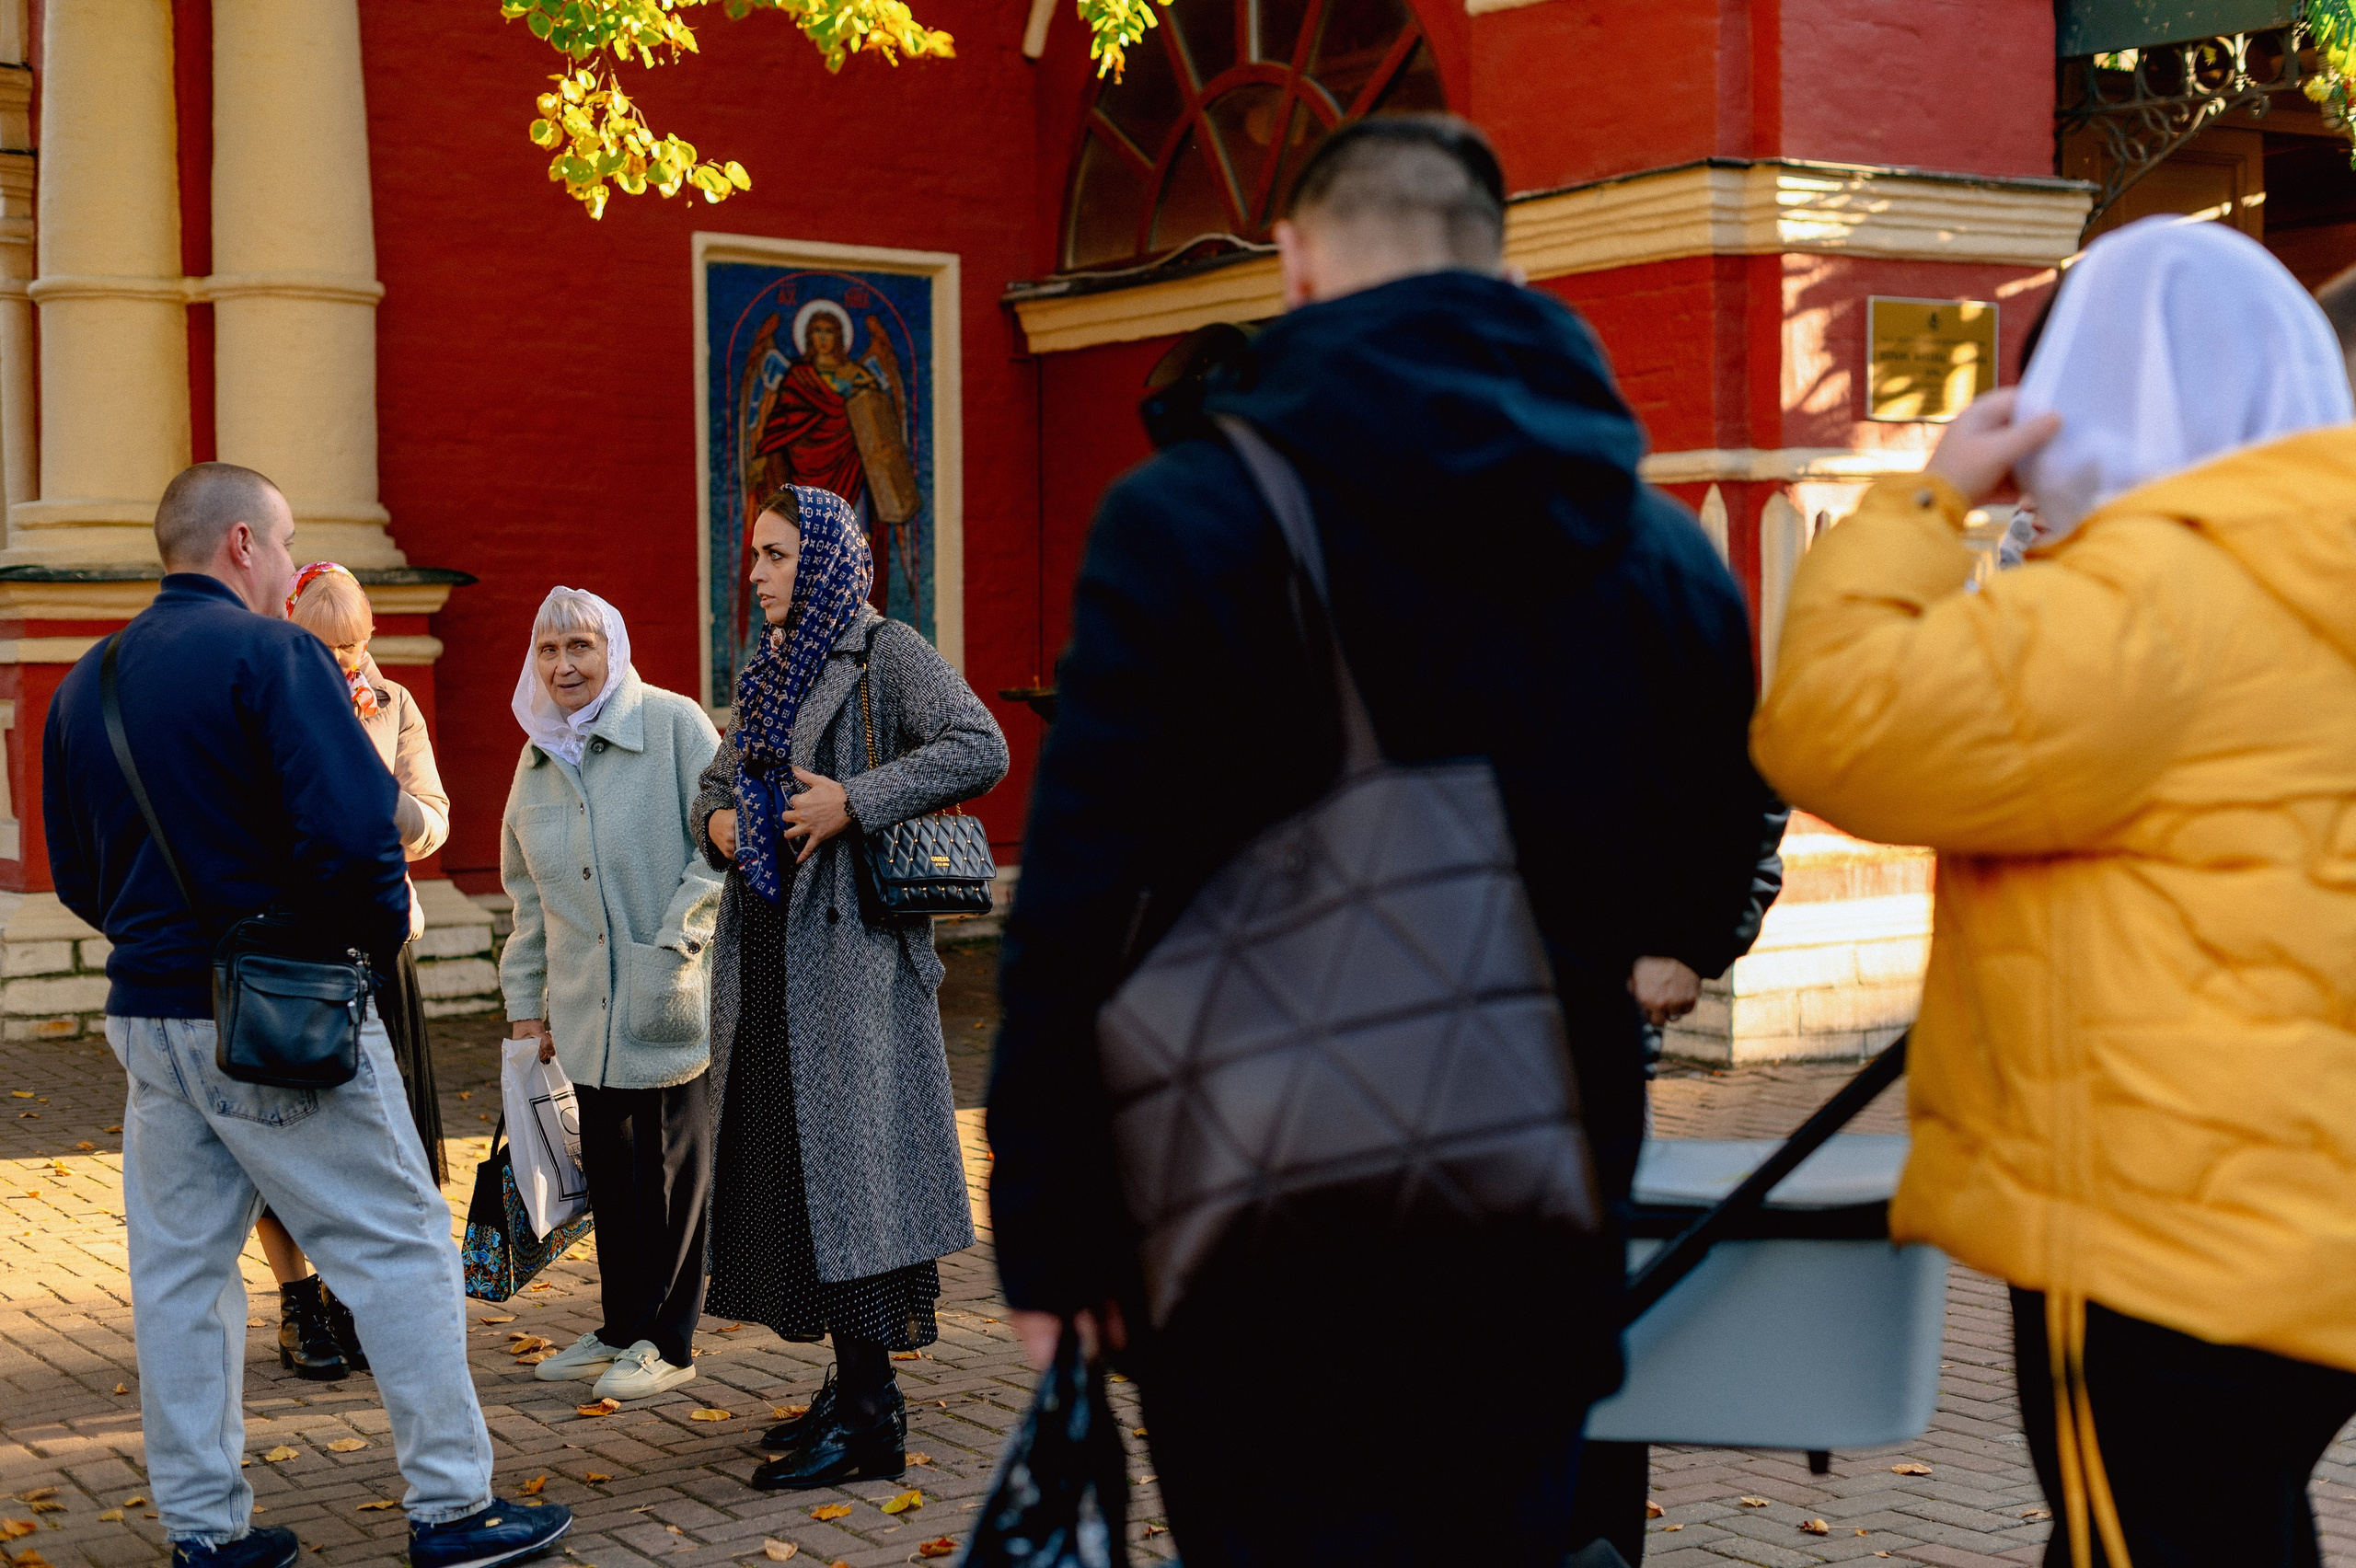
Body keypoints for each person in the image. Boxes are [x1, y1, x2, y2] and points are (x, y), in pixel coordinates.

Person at [987, 115, 1774, 1566]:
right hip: (1540, 1210)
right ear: (1499, 265)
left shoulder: (1186, 520)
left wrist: (1053, 1230)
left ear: (1292, 262)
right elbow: (1719, 854)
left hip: (1240, 1221)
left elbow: (1077, 902)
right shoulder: (1658, 549)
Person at [1751, 216, 2356, 1568]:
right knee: (2246, 1526)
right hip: (2310, 1222)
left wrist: (1932, 502)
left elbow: (1832, 727)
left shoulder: (2144, 608)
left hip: (2160, 1232)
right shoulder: (2322, 575)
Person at [41, 462, 570, 1568]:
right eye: (284, 545)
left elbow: (78, 874)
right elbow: (356, 834)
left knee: (181, 1280)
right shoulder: (276, 654)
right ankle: (453, 1510)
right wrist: (362, 954)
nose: (290, 567)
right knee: (404, 1244)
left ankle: (205, 1531)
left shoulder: (83, 683)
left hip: (148, 1013)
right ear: (241, 543)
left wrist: (158, 938)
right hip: (281, 1007)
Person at [689, 483, 1008, 1491]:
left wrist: (854, 800)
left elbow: (980, 745)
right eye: (754, 557)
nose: (758, 574)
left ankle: (874, 1417)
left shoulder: (886, 650)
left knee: (856, 1184)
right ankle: (848, 1385)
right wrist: (717, 825)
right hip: (771, 960)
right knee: (803, 1174)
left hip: (857, 968)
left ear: (823, 557)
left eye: (776, 555)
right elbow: (717, 780)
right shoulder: (770, 667)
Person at [497, 586, 724, 1403]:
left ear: (613, 651)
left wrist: (679, 943)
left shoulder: (672, 726)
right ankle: (622, 1325)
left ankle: (671, 1339)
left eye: (580, 648)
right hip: (583, 1008)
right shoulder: (537, 760)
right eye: (549, 651)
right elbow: (528, 898)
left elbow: (723, 845)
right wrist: (528, 1005)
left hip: (667, 993)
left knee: (669, 1173)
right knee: (614, 1175)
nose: (564, 666)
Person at [250, 561, 455, 1382]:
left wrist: (365, 790)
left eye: (357, 643)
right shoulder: (257, 707)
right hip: (289, 947)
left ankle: (347, 1295)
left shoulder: (394, 707)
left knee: (374, 1127)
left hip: (377, 944)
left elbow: (432, 823)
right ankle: (298, 1305)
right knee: (286, 1126)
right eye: (327, 646)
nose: (347, 661)